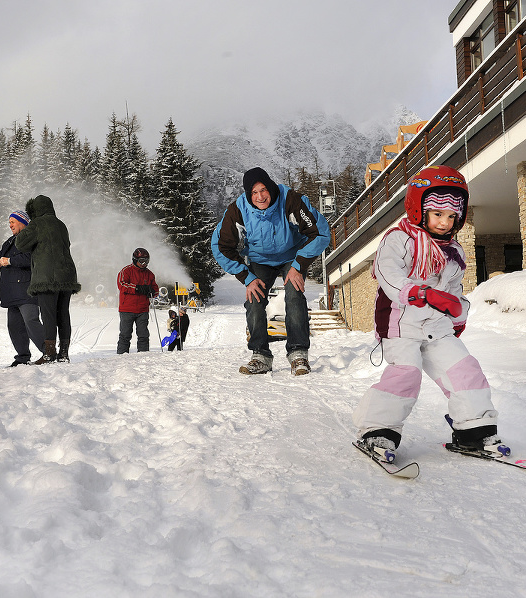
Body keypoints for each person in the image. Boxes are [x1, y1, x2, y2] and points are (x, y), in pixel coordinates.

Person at [352, 165, 500, 458]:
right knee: (406, 374)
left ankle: (474, 431)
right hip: (401, 324)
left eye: (451, 216)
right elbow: (387, 273)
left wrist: (459, 315)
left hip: (438, 327)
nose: (445, 222)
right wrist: (419, 292)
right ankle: (378, 432)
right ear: (418, 208)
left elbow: (455, 291)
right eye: (437, 214)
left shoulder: (453, 251)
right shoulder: (399, 240)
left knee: (465, 371)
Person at [211, 167, 330, 375]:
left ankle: (298, 354)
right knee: (254, 298)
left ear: (271, 187)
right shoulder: (238, 210)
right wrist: (246, 276)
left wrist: (299, 265)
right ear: (248, 194)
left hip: (292, 255)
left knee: (294, 295)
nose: (260, 196)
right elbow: (220, 246)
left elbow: (320, 233)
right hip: (260, 259)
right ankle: (261, 355)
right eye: (254, 193)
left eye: (263, 190)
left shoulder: (290, 200)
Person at [14, 194, 81, 364]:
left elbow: (20, 243)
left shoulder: (37, 224)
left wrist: (28, 226)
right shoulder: (61, 225)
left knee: (48, 315)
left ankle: (49, 354)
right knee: (63, 314)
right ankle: (64, 353)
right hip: (67, 275)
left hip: (46, 277)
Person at [0, 210, 44, 366]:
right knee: (14, 326)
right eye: (9, 223)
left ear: (22, 222)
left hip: (26, 289)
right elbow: (0, 257)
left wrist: (8, 261)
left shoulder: (31, 238)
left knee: (31, 321)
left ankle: (49, 352)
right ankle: (22, 357)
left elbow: (31, 258)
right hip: (11, 293)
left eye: (12, 222)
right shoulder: (9, 242)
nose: (10, 225)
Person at [116, 248, 158, 354]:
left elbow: (155, 289)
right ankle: (121, 357)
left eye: (146, 261)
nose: (144, 264)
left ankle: (143, 357)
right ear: (135, 260)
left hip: (142, 309)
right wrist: (137, 288)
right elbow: (121, 284)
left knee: (143, 334)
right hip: (127, 309)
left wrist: (152, 291)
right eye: (141, 261)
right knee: (125, 334)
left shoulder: (149, 274)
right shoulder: (126, 271)